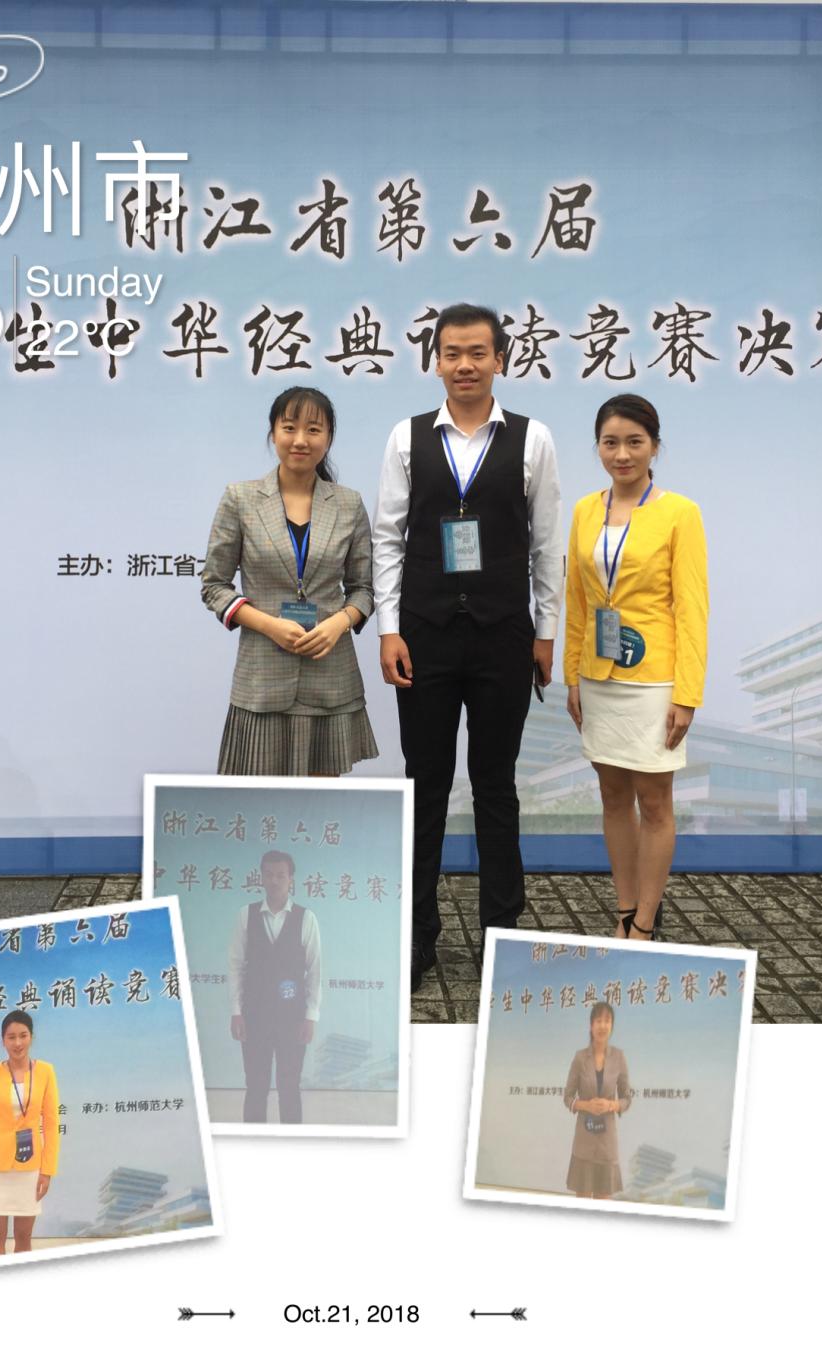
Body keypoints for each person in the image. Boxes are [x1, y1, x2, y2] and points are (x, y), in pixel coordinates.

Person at [372, 302, 563, 991]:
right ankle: (418, 937)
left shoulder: (533, 439)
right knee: (424, 786)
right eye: (452, 353)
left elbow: (547, 545)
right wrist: (389, 628)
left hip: (504, 636)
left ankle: (501, 936)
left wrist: (546, 632)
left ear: (500, 359)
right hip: (422, 635)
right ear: (436, 362)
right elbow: (388, 538)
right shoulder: (407, 437)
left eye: (478, 352)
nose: (465, 365)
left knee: (496, 786)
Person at [564, 394, 708, 941]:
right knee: (612, 797)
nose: (621, 454)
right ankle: (624, 909)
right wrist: (572, 676)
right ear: (598, 447)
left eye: (634, 442)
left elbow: (692, 609)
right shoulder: (585, 510)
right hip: (599, 675)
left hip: (655, 681)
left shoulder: (680, 513)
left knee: (654, 801)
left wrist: (687, 694)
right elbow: (578, 600)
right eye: (610, 442)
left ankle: (646, 922)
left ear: (654, 447)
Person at [202, 387, 377, 776]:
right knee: (260, 801)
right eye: (289, 427)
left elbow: (364, 589)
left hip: (331, 676)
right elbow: (214, 585)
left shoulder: (349, 503)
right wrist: (269, 626)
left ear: (329, 438)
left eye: (313, 429)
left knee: (320, 805)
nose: (301, 440)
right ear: (273, 433)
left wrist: (339, 623)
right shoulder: (240, 499)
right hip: (262, 679)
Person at [227, 849, 321, 1124]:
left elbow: (315, 971)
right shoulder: (246, 915)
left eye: (281, 875)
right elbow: (235, 966)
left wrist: (311, 1016)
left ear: (291, 879)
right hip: (254, 1015)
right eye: (269, 874)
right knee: (255, 1085)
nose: (275, 880)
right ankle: (252, 1141)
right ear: (261, 878)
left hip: (293, 1017)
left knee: (289, 1085)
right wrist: (236, 1012)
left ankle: (291, 1143)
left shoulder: (306, 918)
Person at [0, 1010, 59, 1256]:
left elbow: (51, 1125)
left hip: (30, 1167)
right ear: (3, 1040)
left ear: (32, 1037)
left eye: (23, 1035)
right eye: (11, 1037)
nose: (18, 1043)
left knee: (23, 1239)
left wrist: (47, 1171)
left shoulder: (46, 1072)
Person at [563, 1001, 631, 1199]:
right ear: (591, 1025)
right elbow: (568, 1097)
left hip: (607, 1143)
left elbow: (627, 1098)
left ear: (612, 1026)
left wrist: (612, 1105)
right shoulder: (580, 1058)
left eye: (607, 1021)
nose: (603, 1025)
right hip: (584, 1142)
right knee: (582, 1204)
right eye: (598, 1020)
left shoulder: (619, 1057)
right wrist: (586, 1105)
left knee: (602, 1205)